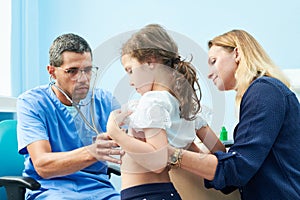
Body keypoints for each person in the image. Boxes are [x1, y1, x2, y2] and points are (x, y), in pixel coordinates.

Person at [167, 29, 300, 199]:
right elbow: (233, 176)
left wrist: (169, 154)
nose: (209, 73)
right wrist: (190, 145)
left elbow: (238, 168)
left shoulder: (264, 91)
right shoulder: (262, 93)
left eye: (213, 61)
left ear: (237, 53)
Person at [105, 24, 225, 200]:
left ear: (150, 62)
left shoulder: (152, 101)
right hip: (165, 193)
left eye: (130, 71)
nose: (130, 81)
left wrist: (115, 133)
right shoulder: (184, 106)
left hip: (143, 195)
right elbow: (220, 152)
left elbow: (158, 161)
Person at [17, 33, 123, 199]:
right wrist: (92, 152)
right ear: (52, 72)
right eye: (72, 71)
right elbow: (42, 165)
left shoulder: (105, 101)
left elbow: (134, 142)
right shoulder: (32, 103)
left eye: (87, 70)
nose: (82, 79)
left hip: (100, 190)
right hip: (50, 190)